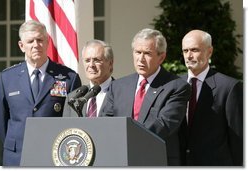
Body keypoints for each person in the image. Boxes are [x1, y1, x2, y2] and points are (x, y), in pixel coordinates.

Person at [0, 20, 81, 166]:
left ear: (47, 43)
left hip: (53, 155)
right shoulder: (7, 78)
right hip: (16, 156)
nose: (36, 45)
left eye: (40, 40)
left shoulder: (69, 78)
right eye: (30, 41)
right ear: (21, 46)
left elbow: (73, 121)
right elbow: (0, 120)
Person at [101, 28, 191, 166]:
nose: (141, 59)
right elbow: (106, 121)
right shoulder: (118, 86)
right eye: (137, 52)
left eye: (147, 53)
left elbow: (164, 124)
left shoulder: (177, 86)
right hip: (121, 162)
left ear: (161, 57)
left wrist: (127, 141)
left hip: (156, 161)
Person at [179, 29, 243, 166]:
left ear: (209, 52)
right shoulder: (175, 85)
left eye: (194, 50)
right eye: (185, 51)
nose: (189, 56)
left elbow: (238, 140)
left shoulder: (229, 87)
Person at [63, 39, 114, 117]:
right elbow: (67, 128)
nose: (91, 65)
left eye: (96, 60)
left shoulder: (120, 93)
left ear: (110, 63)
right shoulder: (73, 97)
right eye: (87, 60)